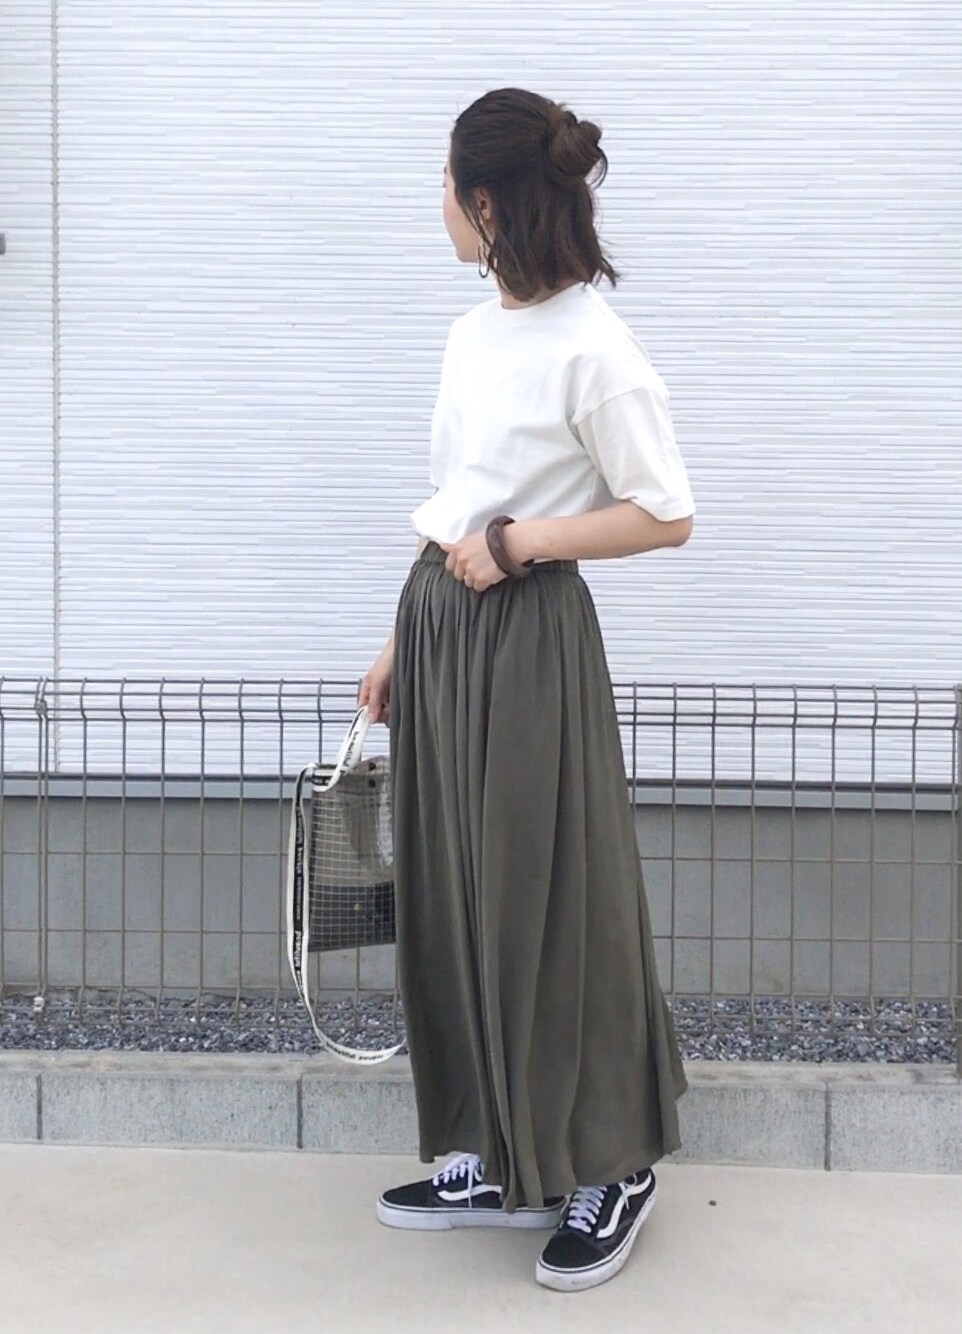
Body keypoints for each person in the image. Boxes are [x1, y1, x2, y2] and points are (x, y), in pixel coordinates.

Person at [358, 87, 695, 1294]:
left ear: (488, 203)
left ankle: (614, 1161)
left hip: (529, 636)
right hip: (443, 628)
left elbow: (666, 511)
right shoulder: (470, 336)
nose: (439, 206)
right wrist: (397, 641)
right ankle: (498, 1154)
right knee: (457, 894)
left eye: (447, 186)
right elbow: (454, 496)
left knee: (558, 903)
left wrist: (523, 543)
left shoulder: (595, 348)